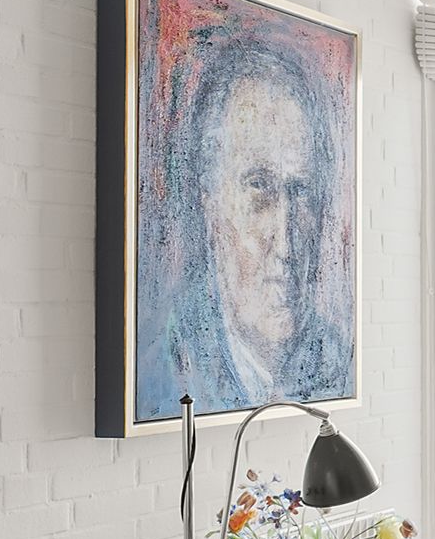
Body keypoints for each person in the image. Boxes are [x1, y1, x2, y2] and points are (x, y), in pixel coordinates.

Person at [140, 36, 356, 419]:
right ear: (209, 201)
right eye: (259, 187)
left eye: (300, 191)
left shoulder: (339, 360)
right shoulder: (161, 369)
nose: (286, 243)